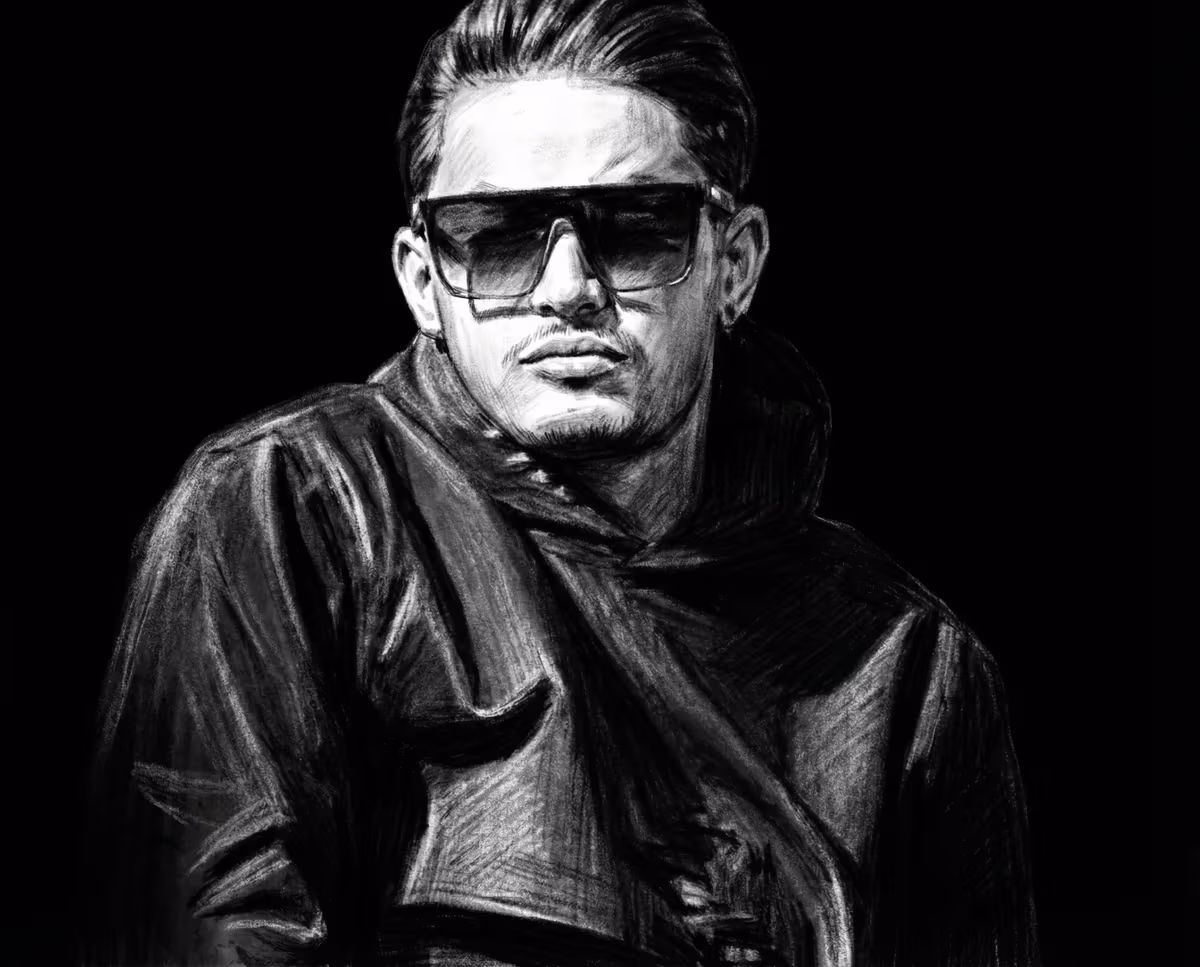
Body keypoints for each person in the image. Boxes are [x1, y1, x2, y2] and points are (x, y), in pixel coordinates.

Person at [80, 1, 1040, 964]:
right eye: (498, 234)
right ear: (422, 280)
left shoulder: (910, 664)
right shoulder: (289, 512)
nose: (568, 287)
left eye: (636, 228)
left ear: (736, 265)